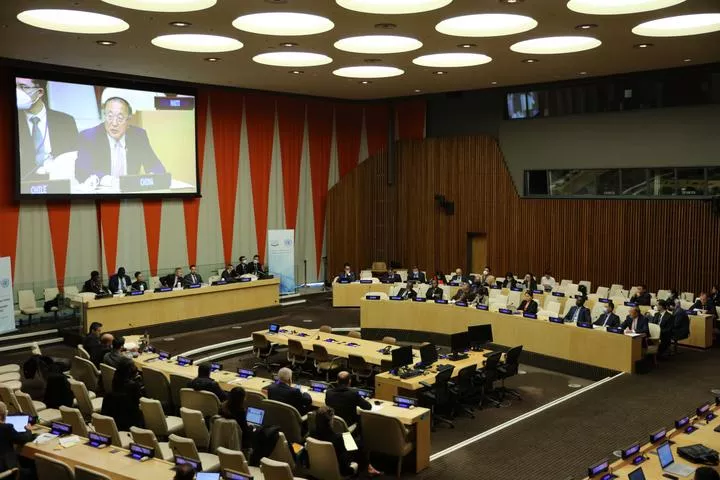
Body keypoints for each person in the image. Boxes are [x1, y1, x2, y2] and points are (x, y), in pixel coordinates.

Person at [75, 96, 166, 186]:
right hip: (102, 192)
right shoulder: (89, 137)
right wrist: (111, 181)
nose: (114, 123)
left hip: (130, 193)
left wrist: (151, 177)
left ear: (128, 120)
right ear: (104, 116)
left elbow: (156, 166)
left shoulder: (138, 136)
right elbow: (81, 171)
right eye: (110, 116)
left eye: (120, 118)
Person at [16, 77, 78, 181]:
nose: (17, 92)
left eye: (23, 87)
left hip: (58, 181)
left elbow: (74, 156)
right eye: (16, 86)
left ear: (40, 92)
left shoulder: (66, 121)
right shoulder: (11, 120)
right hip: (24, 183)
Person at [314, 406, 382, 477]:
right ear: (330, 421)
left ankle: (368, 467)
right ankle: (368, 468)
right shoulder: (340, 437)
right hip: (342, 469)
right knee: (359, 446)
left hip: (320, 466)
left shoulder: (312, 434)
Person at [100, 361, 144, 430]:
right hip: (131, 423)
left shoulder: (110, 393)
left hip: (114, 425)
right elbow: (138, 402)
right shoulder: (134, 386)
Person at [0, 401, 34, 479]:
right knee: (33, 471)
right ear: (2, 415)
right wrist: (28, 430)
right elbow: (24, 439)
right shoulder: (6, 428)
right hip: (6, 469)